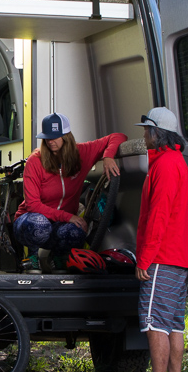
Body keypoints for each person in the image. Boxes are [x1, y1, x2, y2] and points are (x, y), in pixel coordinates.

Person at [129, 107, 188, 372]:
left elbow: (158, 216)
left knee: (155, 322)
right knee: (173, 325)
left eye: (146, 130)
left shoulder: (166, 165)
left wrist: (145, 258)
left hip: (163, 258)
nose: (143, 136)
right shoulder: (174, 161)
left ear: (159, 133)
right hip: (178, 258)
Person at [13, 112, 126, 271]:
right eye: (47, 137)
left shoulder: (82, 153)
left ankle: (59, 257)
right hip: (30, 223)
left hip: (59, 225)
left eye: (55, 137)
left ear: (66, 136)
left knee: (77, 230)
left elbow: (118, 136)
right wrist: (68, 216)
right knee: (39, 223)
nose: (50, 141)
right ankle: (32, 257)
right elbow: (32, 205)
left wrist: (108, 156)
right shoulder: (35, 161)